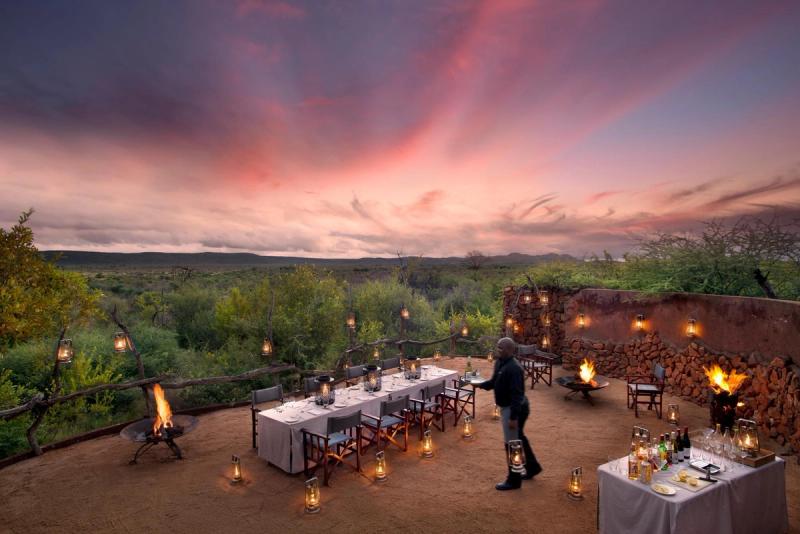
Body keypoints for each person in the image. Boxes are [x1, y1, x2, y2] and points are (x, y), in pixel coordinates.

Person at [478, 337, 542, 490]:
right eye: (498, 347)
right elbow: (494, 382)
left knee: (512, 444)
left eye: (501, 348)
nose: (498, 349)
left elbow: (517, 395)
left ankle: (514, 480)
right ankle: (533, 468)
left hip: (514, 409)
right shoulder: (500, 362)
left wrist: (513, 417)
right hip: (510, 407)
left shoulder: (515, 368)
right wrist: (479, 384)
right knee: (519, 437)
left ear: (509, 350)